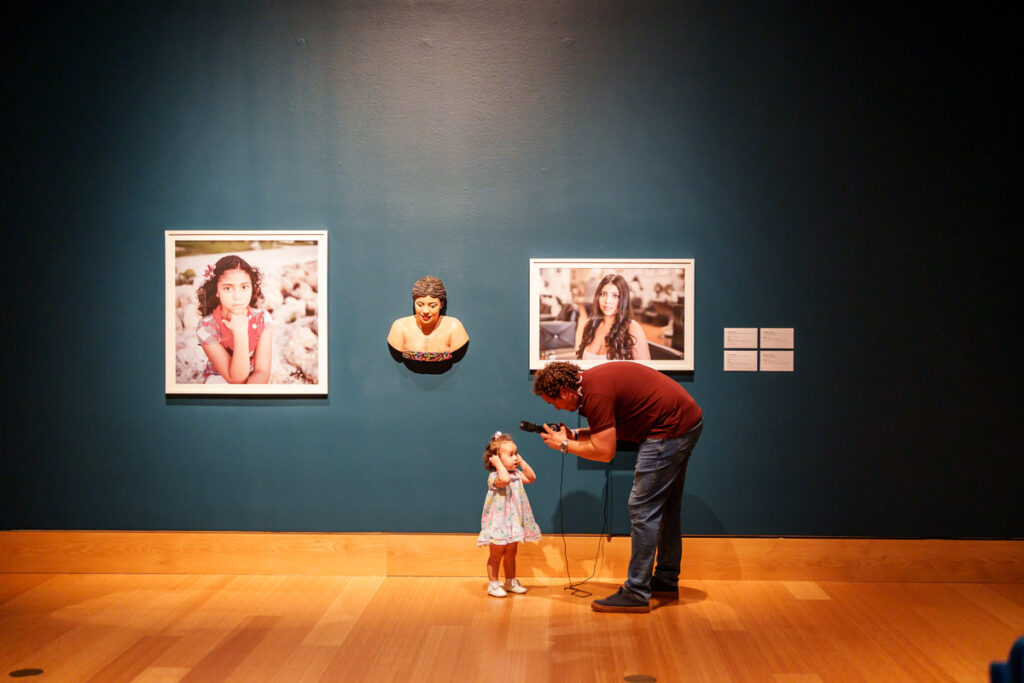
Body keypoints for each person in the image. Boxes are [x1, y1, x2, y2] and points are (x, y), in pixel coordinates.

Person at [532, 361, 702, 613]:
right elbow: (607, 431)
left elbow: (604, 451)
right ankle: (665, 580)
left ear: (564, 391)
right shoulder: (589, 385)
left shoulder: (594, 394)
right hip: (684, 422)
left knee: (642, 508)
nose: (556, 407)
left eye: (552, 401)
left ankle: (636, 593)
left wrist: (564, 446)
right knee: (665, 507)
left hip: (669, 430)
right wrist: (574, 435)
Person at [477, 431, 541, 598]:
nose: (515, 458)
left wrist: (521, 461)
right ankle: (493, 584)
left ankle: (510, 581)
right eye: (511, 455)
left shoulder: (516, 475)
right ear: (496, 458)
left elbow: (532, 477)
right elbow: (504, 480)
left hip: (513, 523)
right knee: (496, 554)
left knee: (511, 554)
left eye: (516, 453)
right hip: (499, 525)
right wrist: (497, 463)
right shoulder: (494, 477)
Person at [195, 254, 273, 384]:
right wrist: (240, 333)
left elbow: (262, 371)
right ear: (216, 291)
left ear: (252, 287)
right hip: (221, 377)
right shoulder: (206, 327)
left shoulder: (262, 319)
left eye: (244, 287)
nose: (237, 296)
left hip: (253, 375)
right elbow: (236, 379)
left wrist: (249, 394)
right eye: (227, 288)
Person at [387, 276, 469, 362]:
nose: (425, 311)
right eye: (420, 305)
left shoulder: (454, 327)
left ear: (441, 304)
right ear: (414, 302)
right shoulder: (400, 327)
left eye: (432, 306)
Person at [575, 273, 651, 361]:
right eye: (603, 294)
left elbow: (646, 371)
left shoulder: (632, 328)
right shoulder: (589, 325)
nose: (607, 301)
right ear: (597, 297)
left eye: (615, 296)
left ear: (623, 299)